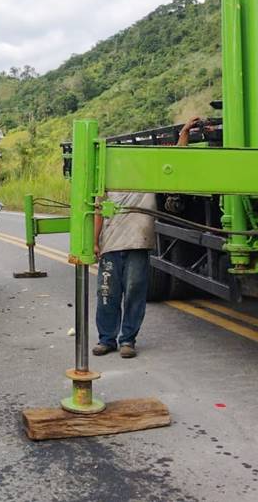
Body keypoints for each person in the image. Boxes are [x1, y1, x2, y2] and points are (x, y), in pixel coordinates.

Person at [92, 116, 200, 358]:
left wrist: (184, 134)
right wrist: (93, 242)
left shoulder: (148, 179)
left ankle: (128, 340)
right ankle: (106, 340)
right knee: (108, 294)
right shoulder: (106, 183)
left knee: (134, 293)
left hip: (139, 245)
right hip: (110, 246)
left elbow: (176, 160)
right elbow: (98, 213)